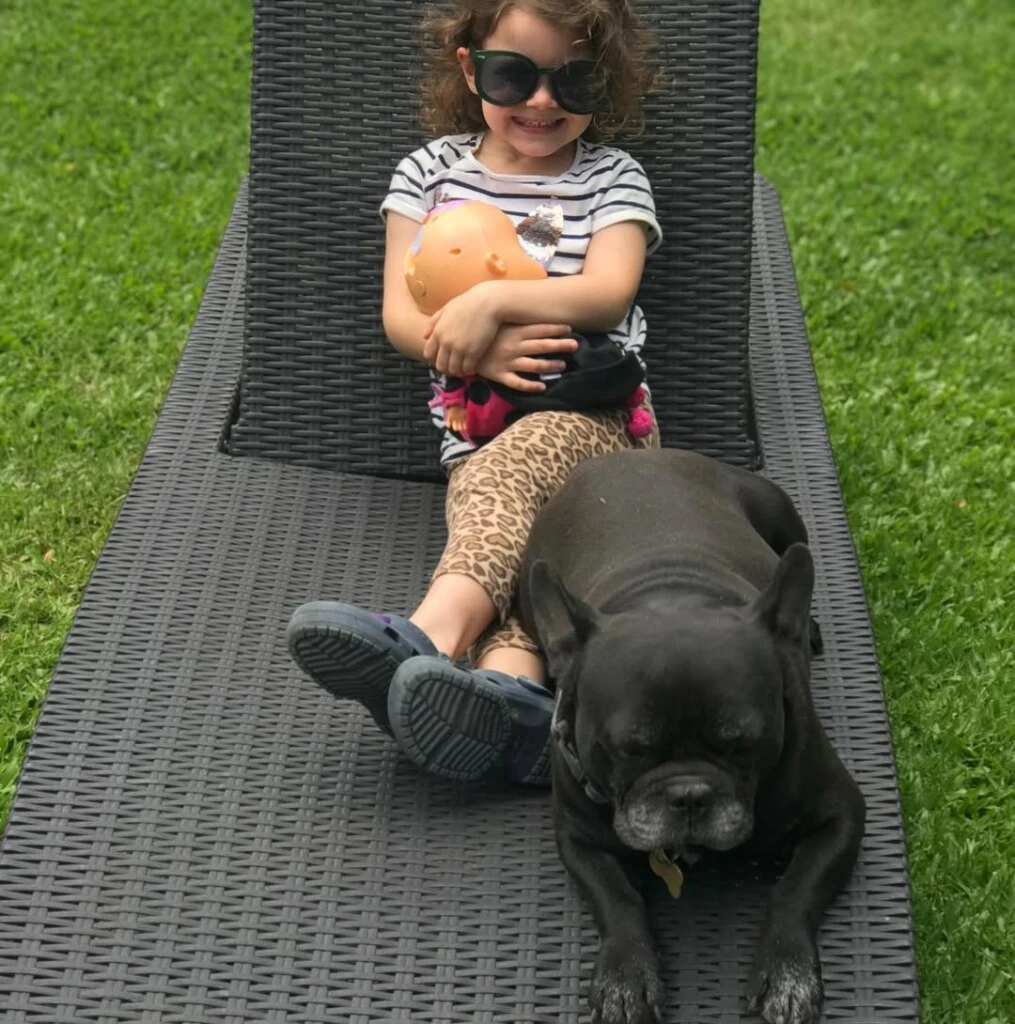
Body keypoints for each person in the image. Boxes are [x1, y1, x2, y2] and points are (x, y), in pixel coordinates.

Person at [287, 0, 662, 787]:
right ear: (469, 68)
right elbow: (401, 315)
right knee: (516, 543)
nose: (541, 101)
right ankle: (514, 705)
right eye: (513, 76)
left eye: (574, 81)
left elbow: (607, 293)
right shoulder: (428, 175)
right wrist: (478, 352)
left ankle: (427, 636)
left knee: (505, 485)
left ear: (605, 81)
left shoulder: (610, 177)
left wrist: (493, 301)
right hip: (477, 434)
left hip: (603, 432)